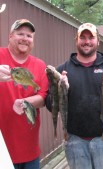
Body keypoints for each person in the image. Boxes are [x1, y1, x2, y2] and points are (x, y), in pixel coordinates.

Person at [46, 23, 103, 169]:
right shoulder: (62, 70)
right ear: (76, 40)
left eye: (91, 37)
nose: (87, 41)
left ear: (97, 41)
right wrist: (59, 88)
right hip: (74, 141)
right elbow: (50, 105)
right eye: (83, 37)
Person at [0, 19, 49, 169]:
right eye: (20, 33)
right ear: (10, 36)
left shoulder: (40, 65)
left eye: (29, 36)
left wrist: (25, 102)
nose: (25, 38)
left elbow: (43, 97)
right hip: (2, 150)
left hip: (30, 149)